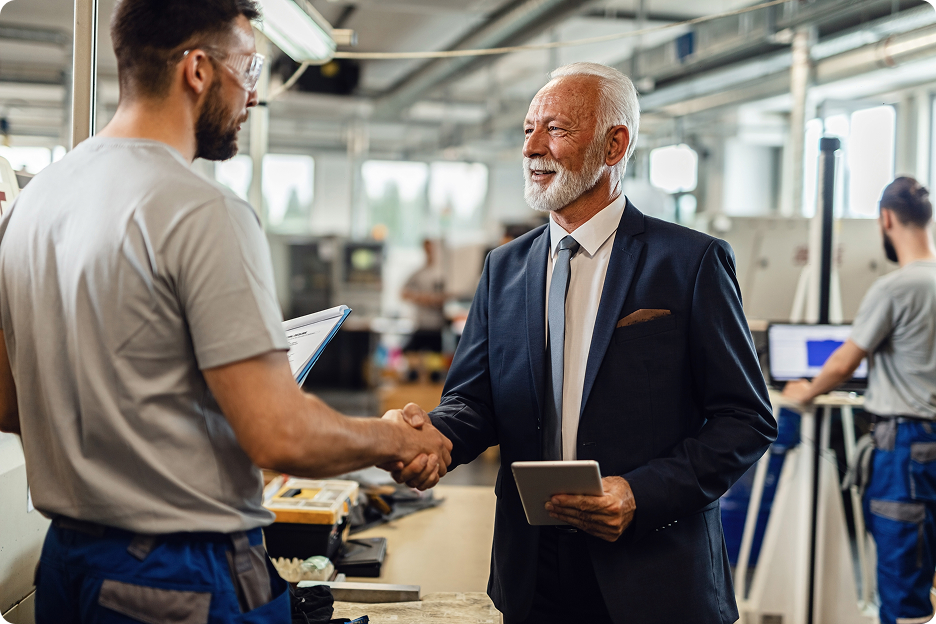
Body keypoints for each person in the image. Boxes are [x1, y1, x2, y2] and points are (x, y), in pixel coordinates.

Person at [0, 1, 450, 622]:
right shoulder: (201, 209)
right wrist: (392, 439)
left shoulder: (32, 203)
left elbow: (5, 401)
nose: (254, 94)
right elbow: (279, 433)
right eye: (250, 67)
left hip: (67, 567)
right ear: (198, 71)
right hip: (177, 577)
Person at [389, 62, 777, 624]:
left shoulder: (689, 263)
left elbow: (746, 418)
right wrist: (435, 440)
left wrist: (639, 494)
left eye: (556, 129)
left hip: (654, 571)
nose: (533, 148)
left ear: (614, 144)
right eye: (527, 129)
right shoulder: (505, 268)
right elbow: (474, 402)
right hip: (534, 572)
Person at [783, 177, 936, 624]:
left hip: (905, 450)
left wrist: (803, 391)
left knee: (902, 585)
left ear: (886, 219)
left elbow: (844, 363)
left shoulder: (896, 289)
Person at [401, 238, 447, 352]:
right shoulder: (419, 273)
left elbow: (447, 297)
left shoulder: (443, 274)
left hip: (437, 326)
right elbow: (403, 293)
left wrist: (433, 299)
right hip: (421, 325)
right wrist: (421, 298)